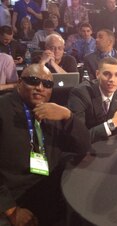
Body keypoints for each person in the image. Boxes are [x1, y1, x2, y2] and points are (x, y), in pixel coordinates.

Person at [0, 64, 91, 226]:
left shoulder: (53, 111)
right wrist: (11, 209)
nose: (40, 88)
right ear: (20, 83)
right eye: (33, 81)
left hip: (49, 191)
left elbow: (83, 146)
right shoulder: (3, 109)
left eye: (47, 84)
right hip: (13, 197)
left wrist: (68, 116)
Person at [68, 57, 117, 143]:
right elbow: (78, 137)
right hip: (88, 148)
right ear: (97, 74)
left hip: (113, 145)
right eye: (107, 74)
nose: (112, 79)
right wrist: (112, 124)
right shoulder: (81, 93)